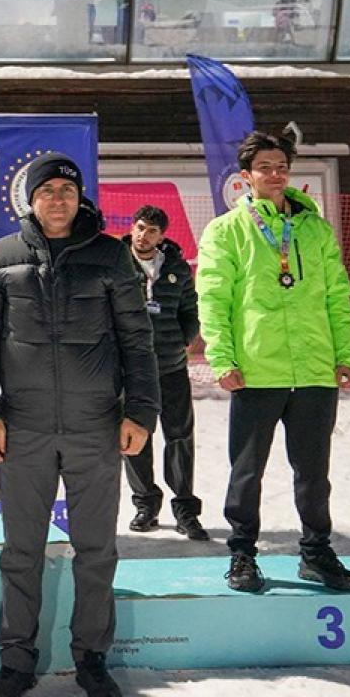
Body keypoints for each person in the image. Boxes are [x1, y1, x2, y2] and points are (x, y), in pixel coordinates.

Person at [0, 152, 158, 697]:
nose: (57, 199)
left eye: (66, 191)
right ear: (30, 199)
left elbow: (137, 343)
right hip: (22, 429)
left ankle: (92, 657)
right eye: (46, 190)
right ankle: (16, 660)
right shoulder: (1, 257)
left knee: (96, 549)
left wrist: (140, 413)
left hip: (95, 427)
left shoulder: (111, 257)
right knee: (20, 551)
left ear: (80, 198)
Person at [197, 131, 350, 594]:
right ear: (245, 177)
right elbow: (213, 300)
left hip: (314, 369)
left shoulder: (316, 229)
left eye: (282, 167)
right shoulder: (226, 231)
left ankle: (316, 554)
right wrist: (222, 357)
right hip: (256, 369)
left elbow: (337, 296)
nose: (275, 175)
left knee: (313, 473)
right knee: (247, 470)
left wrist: (345, 354)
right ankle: (243, 554)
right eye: (264, 168)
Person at [121, 205, 207, 541]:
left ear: (162, 235)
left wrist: (184, 339)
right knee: (134, 437)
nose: (144, 235)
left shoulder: (176, 267)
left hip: (171, 367)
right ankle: (145, 504)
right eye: (140, 227)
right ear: (132, 227)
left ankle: (185, 507)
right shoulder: (116, 262)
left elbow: (190, 309)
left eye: (152, 230)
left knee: (180, 436)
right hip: (131, 371)